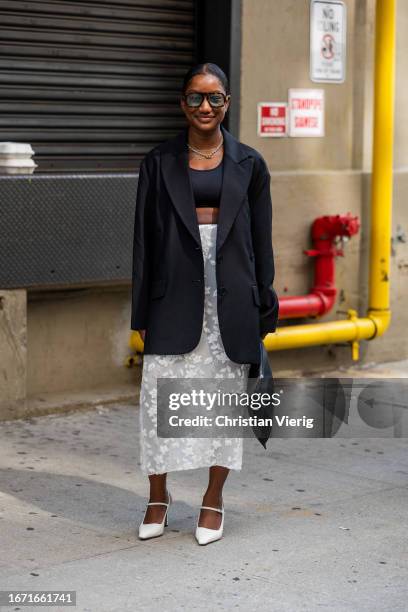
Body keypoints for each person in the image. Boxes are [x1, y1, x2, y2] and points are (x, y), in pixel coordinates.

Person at [131, 62, 279, 545]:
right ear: (182, 103)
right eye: (195, 97)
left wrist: (264, 309)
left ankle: (213, 500)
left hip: (232, 296)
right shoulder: (158, 162)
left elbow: (262, 240)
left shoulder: (250, 163)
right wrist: (141, 314)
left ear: (227, 103)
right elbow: (143, 244)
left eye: (214, 98)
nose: (205, 107)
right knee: (160, 399)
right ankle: (158, 496)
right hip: (173, 294)